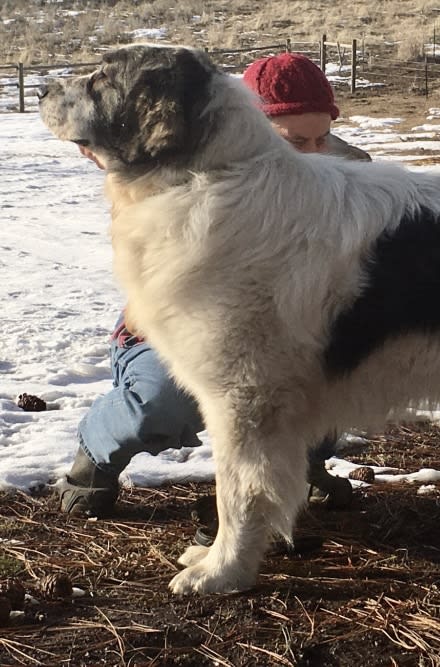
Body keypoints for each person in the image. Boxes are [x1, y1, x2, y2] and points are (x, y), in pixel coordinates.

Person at [59, 52, 369, 524]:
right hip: (176, 326)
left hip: (291, 324)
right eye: (294, 140)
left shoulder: (349, 169)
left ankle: (304, 464)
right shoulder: (180, 175)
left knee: (327, 374)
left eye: (321, 138)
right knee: (161, 402)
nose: (312, 153)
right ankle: (97, 452)